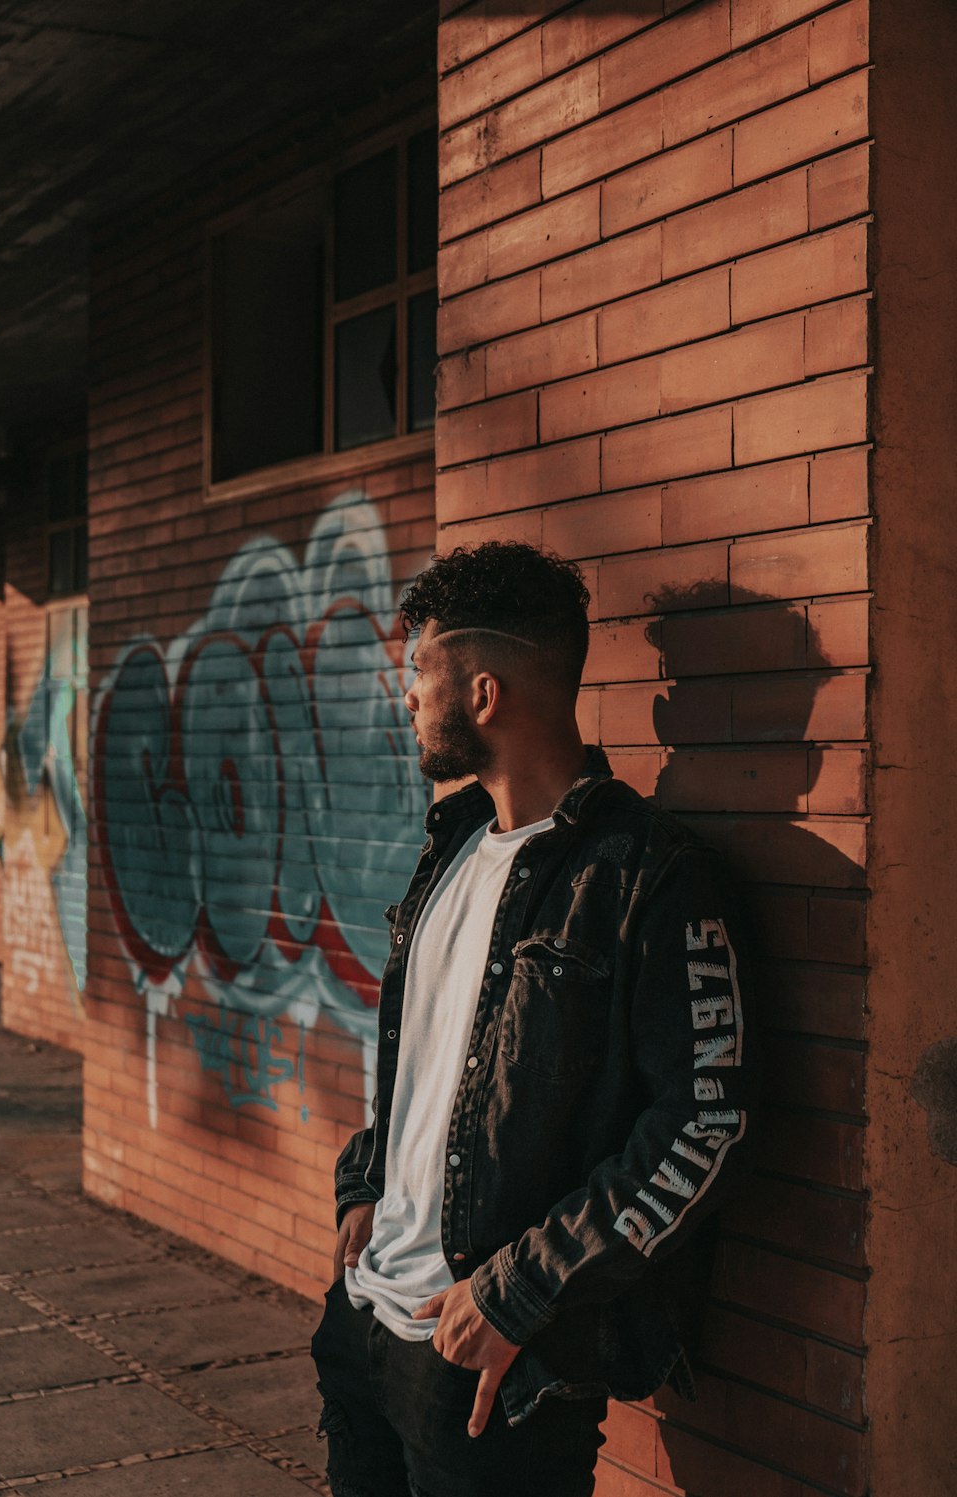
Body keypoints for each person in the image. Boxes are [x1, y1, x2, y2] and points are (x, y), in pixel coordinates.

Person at [310, 541, 757, 1497]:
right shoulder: (451, 846)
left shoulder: (646, 877)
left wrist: (518, 1293)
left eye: (419, 673)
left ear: (482, 692)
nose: (409, 698)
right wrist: (364, 1177)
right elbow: (423, 1059)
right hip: (362, 1324)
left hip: (489, 1367)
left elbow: (704, 1120)